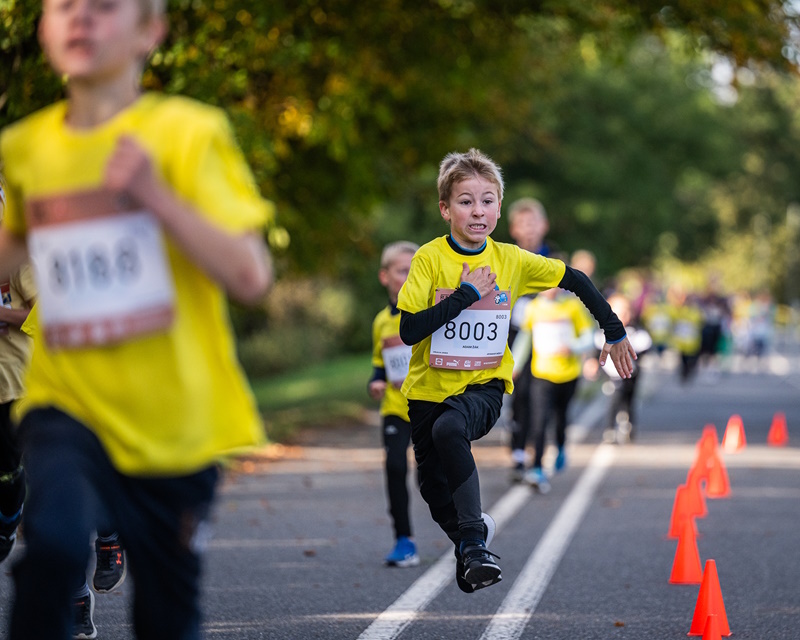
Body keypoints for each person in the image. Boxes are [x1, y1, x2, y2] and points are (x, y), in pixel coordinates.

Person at [0, 0, 274, 637]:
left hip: (173, 419)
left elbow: (250, 276)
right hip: (66, 405)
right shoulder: (24, 148)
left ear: (150, 32)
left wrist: (156, 197)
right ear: (43, 28)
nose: (80, 19)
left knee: (167, 617)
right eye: (64, 6)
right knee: (54, 548)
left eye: (103, 7)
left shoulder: (188, 131)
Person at [397, 148, 635, 593]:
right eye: (465, 201)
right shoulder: (429, 260)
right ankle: (471, 548)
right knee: (431, 490)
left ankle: (473, 544)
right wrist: (464, 296)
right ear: (446, 209)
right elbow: (410, 330)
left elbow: (576, 279)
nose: (478, 210)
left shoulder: (512, 260)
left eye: (487, 200)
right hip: (426, 390)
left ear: (499, 209)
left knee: (451, 429)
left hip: (484, 387)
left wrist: (614, 331)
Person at [510, 275, 596, 493]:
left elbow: (588, 336)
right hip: (542, 373)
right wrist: (515, 367)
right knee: (539, 421)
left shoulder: (573, 307)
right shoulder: (533, 308)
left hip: (568, 374)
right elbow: (525, 338)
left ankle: (560, 446)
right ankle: (536, 468)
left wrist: (574, 347)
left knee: (561, 417)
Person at [368, 241, 420, 568]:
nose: (409, 275)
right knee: (395, 467)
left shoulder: (431, 312)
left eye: (415, 269)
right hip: (395, 408)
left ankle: (466, 533)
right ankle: (403, 539)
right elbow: (380, 362)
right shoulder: (381, 322)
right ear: (384, 276)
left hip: (429, 405)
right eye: (402, 270)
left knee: (434, 476)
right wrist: (375, 380)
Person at [504, 199, 555, 482]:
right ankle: (518, 452)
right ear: (513, 229)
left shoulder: (554, 258)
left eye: (534, 222)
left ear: (544, 226)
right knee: (519, 395)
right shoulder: (506, 258)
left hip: (547, 341)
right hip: (514, 338)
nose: (529, 229)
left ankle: (536, 458)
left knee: (542, 400)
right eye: (523, 224)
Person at [0, 180, 36, 567]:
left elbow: (47, 318)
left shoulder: (17, 253)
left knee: (39, 482)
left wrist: (4, 314)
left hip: (18, 383)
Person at [593, 293, 653, 444]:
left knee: (629, 400)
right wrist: (593, 363)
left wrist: (635, 354)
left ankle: (628, 425)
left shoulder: (635, 331)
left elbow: (644, 345)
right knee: (614, 399)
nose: (623, 316)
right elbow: (597, 348)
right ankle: (610, 429)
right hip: (613, 374)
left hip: (631, 373)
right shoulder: (605, 332)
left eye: (626, 312)